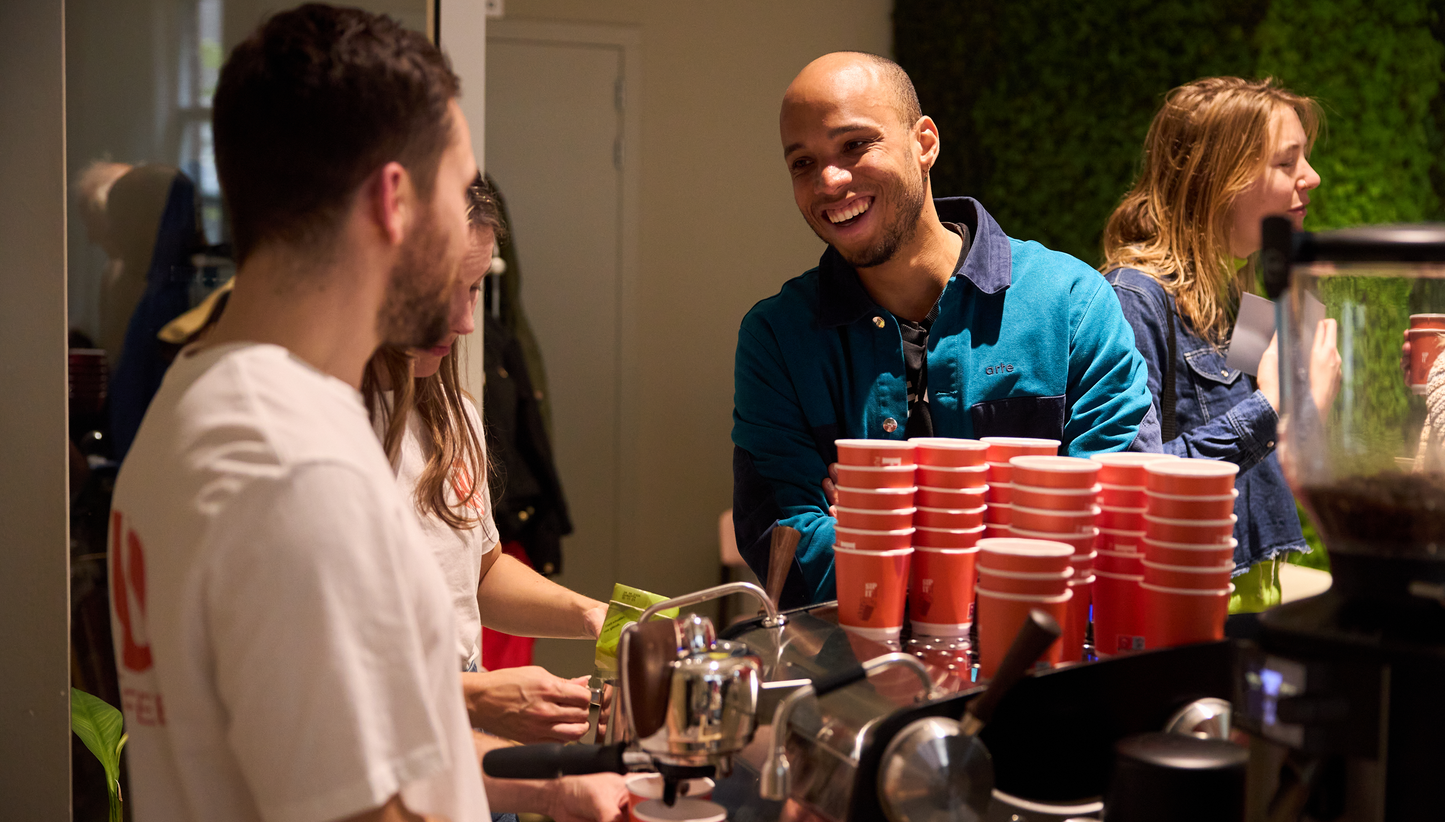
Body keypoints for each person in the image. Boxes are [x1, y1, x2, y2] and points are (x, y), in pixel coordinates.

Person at [108, 7, 620, 822]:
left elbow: (368, 756)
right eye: (456, 191)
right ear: (394, 202)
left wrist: (552, 788)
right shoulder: (296, 467)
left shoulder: (198, 403)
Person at [732, 52, 1159, 607]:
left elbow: (1117, 521)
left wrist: (879, 532)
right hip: (851, 662)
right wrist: (1015, 522)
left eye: (855, 144)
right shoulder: (776, 337)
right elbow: (784, 547)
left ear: (925, 143)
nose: (829, 180)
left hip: (1039, 657)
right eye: (803, 163)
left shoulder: (1071, 303)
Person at [363, 180, 610, 747]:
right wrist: (479, 697)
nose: (466, 321)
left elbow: (477, 571)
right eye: (443, 290)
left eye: (474, 289)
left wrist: (592, 615)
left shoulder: (454, 417)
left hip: (458, 736)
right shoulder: (330, 435)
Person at [1100, 76, 1341, 610]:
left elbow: (1259, 462)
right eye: (1287, 162)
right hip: (1185, 599)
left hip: (1255, 589)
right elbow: (1139, 479)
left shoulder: (1240, 294)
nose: (1312, 177)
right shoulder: (1134, 298)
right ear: (1218, 178)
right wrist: (1273, 405)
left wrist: (1304, 407)